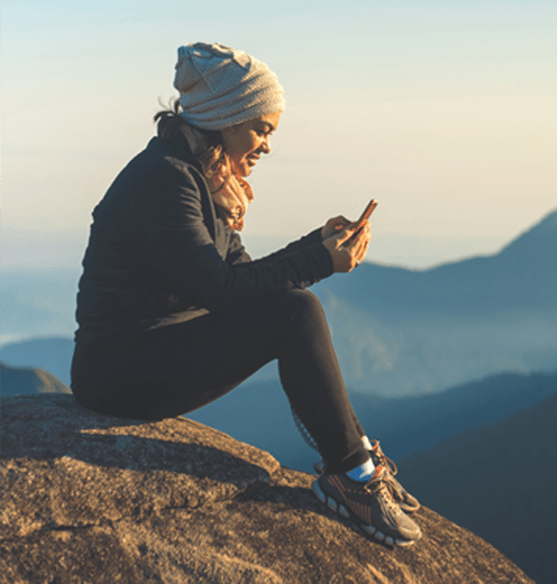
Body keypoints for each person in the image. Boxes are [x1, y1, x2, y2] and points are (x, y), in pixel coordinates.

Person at [70, 42, 421, 546]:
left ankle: (359, 461)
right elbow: (222, 290)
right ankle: (354, 475)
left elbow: (240, 277)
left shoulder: (201, 176)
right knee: (297, 311)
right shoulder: (166, 181)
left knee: (292, 310)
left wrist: (314, 245)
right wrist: (320, 262)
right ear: (225, 117)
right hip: (118, 372)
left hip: (148, 353)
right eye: (262, 128)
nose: (268, 145)